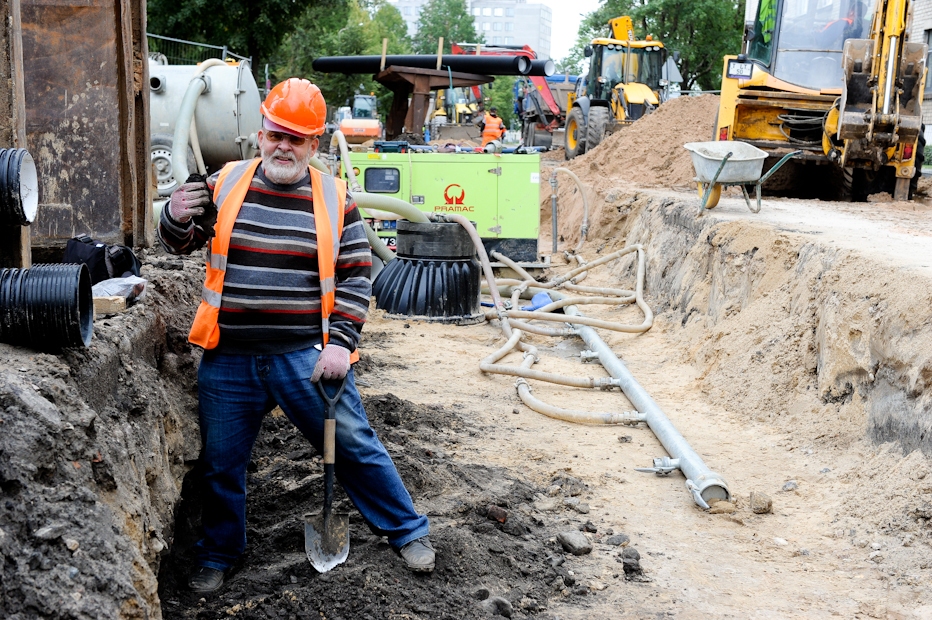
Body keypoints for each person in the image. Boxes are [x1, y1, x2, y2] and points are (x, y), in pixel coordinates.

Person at [158, 78, 434, 593]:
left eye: (297, 138)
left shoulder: (335, 199)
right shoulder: (226, 182)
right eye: (276, 134)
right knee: (221, 463)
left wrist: (340, 344)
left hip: (303, 356)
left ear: (315, 143)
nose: (284, 146)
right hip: (230, 357)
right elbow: (180, 243)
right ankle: (219, 553)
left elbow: (356, 276)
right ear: (260, 133)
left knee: (353, 443)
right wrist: (174, 216)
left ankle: (406, 531)